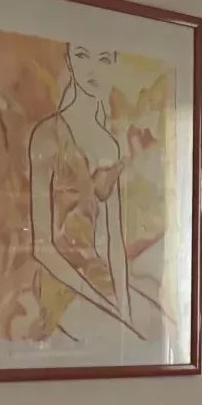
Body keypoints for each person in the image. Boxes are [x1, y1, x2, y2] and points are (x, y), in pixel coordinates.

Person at [25, 42, 151, 341]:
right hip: (60, 280)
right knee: (119, 336)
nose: (93, 69)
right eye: (83, 55)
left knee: (147, 330)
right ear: (69, 60)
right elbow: (42, 247)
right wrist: (103, 304)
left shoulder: (110, 145)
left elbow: (114, 241)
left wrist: (123, 309)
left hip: (97, 275)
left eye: (104, 59)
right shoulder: (47, 136)